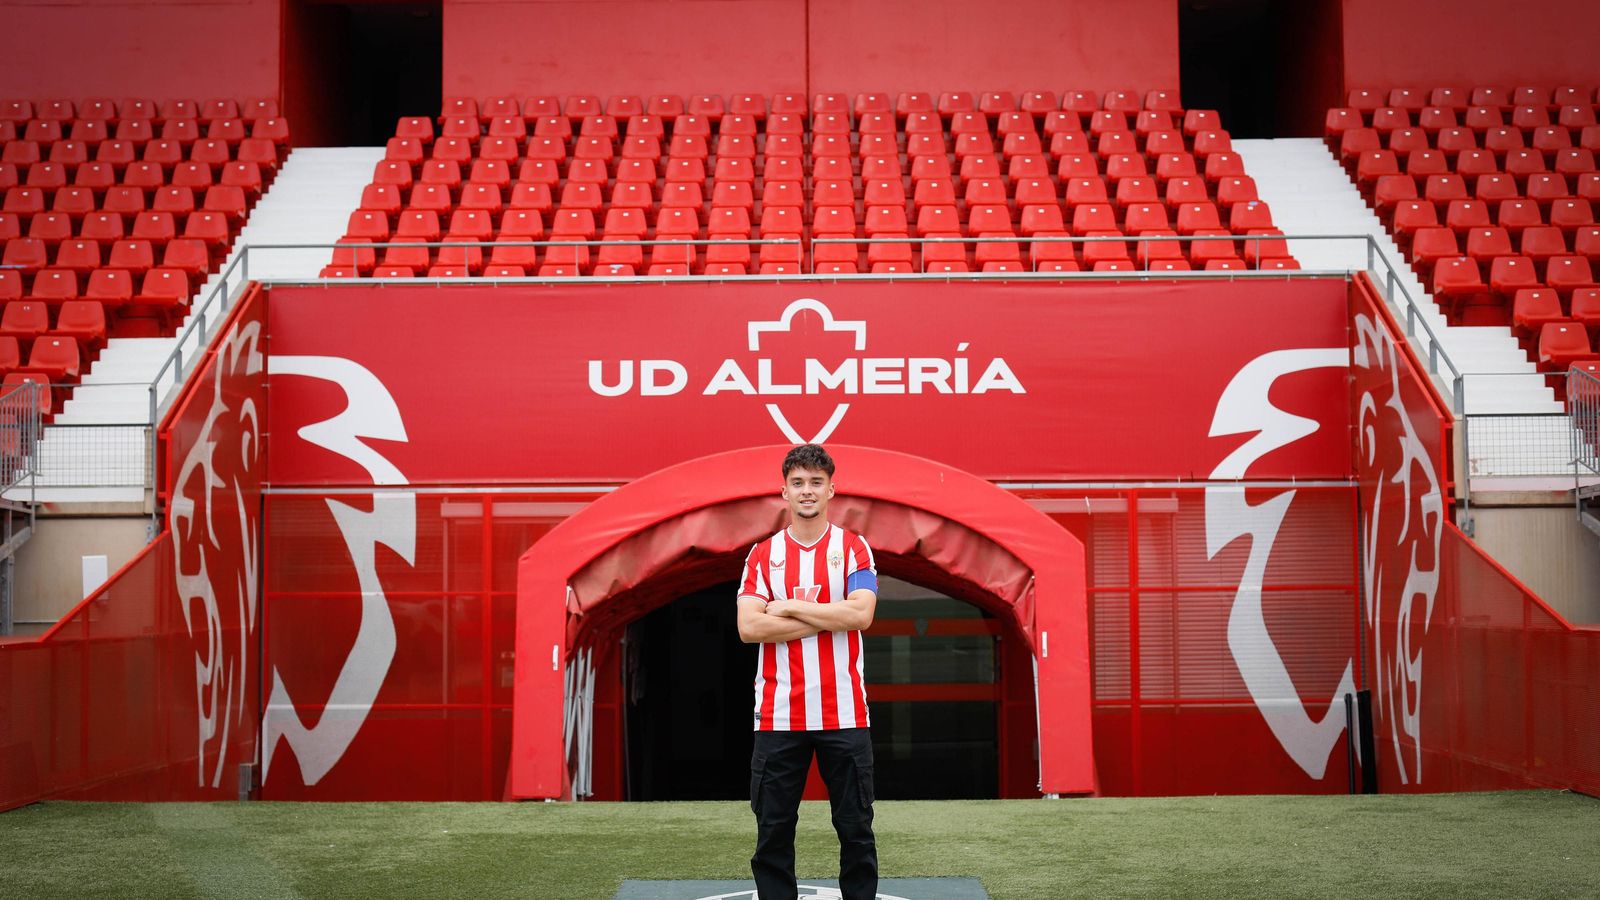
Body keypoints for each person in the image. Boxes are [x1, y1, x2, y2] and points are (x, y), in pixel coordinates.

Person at [736, 443, 879, 900]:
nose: (807, 491)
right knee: (773, 831)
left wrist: (793, 607)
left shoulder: (854, 548)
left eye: (816, 482)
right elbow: (749, 626)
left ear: (831, 490)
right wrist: (826, 615)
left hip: (845, 713)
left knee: (855, 828)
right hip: (778, 715)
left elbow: (860, 617)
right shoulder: (762, 555)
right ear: (784, 492)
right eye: (798, 482)